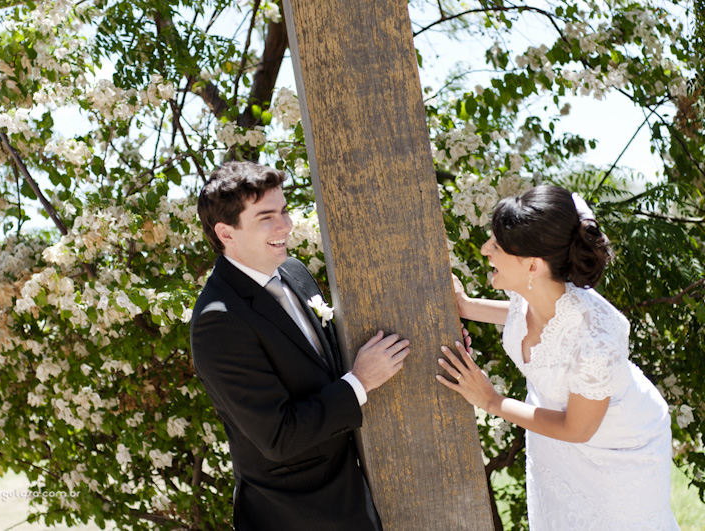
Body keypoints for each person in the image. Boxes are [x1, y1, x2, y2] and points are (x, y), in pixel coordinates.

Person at [437, 185, 679, 530]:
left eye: (496, 245)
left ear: (532, 265)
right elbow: (527, 318)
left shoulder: (597, 340)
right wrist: (467, 306)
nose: (485, 250)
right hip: (555, 436)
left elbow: (577, 428)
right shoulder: (535, 289)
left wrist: (491, 400)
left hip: (617, 449)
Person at [190, 161, 411, 531]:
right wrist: (360, 382)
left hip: (356, 492)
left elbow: (327, 363)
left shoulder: (293, 271)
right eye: (266, 217)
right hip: (296, 512)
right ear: (226, 233)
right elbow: (278, 436)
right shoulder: (218, 320)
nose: (286, 225)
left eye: (284, 211)